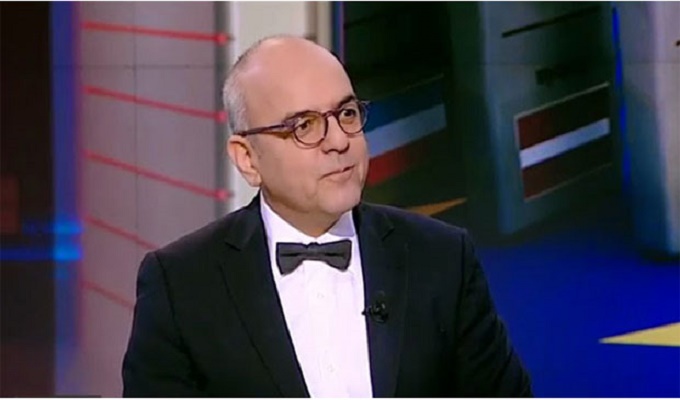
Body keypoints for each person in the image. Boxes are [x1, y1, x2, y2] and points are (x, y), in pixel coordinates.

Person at [122, 35, 532, 398]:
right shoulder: (182, 284)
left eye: (347, 114)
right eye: (305, 125)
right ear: (247, 159)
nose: (338, 141)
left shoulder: (442, 257)